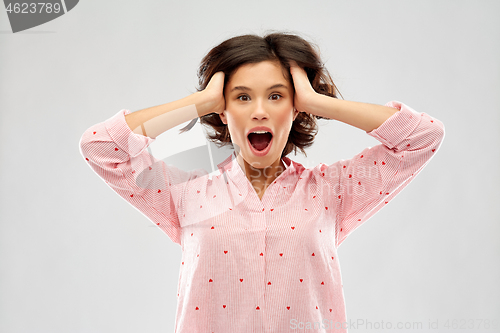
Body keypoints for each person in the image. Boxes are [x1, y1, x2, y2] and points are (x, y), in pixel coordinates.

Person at [79, 31, 445, 333]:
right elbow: (100, 147)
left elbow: (422, 137)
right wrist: (200, 101)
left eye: (276, 96)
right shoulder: (184, 196)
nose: (259, 110)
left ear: (294, 107)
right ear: (223, 111)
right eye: (241, 97)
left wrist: (320, 102)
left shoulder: (333, 191)